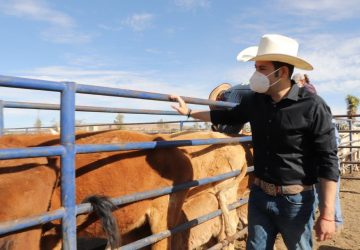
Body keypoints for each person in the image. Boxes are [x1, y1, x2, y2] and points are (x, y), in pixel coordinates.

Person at [170, 34, 339, 249]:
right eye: (255, 68)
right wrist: (189, 112)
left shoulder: (313, 106)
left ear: (283, 72)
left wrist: (327, 215)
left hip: (295, 200)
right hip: (259, 195)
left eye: (262, 69)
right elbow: (225, 117)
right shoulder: (254, 100)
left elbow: (328, 160)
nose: (255, 74)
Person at [292, 73, 344, 232]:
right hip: (324, 142)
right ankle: (334, 219)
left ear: (300, 82)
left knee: (324, 184)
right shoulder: (311, 91)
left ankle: (332, 219)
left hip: (319, 146)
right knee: (327, 184)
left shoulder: (306, 92)